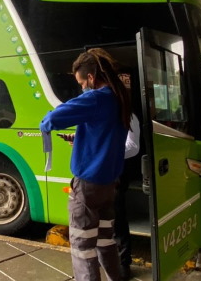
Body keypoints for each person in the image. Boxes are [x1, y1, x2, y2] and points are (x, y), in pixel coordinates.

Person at [40, 48, 132, 281]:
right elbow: (105, 135)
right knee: (105, 240)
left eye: (82, 82)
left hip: (88, 187)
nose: (82, 87)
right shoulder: (119, 98)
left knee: (83, 247)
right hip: (110, 185)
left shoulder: (95, 97)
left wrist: (46, 124)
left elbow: (51, 120)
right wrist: (79, 139)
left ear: (91, 77)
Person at [114, 113, 140, 281]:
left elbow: (132, 146)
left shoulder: (128, 116)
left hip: (116, 171)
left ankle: (124, 262)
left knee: (118, 219)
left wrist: (108, 153)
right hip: (97, 171)